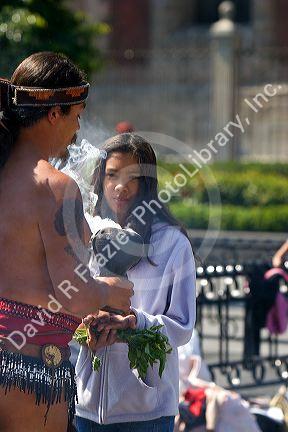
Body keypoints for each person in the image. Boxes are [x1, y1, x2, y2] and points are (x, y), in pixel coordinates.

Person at [0, 52, 134, 432]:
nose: (78, 130)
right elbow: (72, 292)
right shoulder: (56, 186)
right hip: (27, 368)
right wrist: (112, 290)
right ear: (53, 113)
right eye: (76, 115)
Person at [74, 133, 196, 431]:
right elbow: (67, 309)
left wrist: (136, 322)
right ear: (100, 180)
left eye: (133, 177)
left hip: (147, 412)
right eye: (112, 174)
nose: (120, 186)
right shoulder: (84, 235)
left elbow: (182, 327)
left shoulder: (172, 244)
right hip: (86, 408)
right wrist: (87, 327)